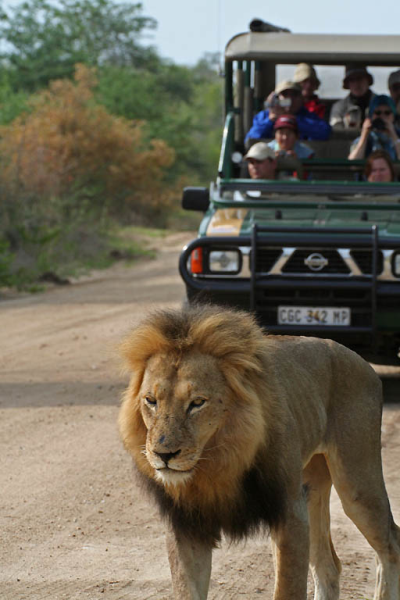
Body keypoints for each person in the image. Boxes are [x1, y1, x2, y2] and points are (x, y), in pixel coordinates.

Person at [245, 79, 331, 142]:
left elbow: (324, 133)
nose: (290, 99)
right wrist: (270, 120)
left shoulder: (309, 116)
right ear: (277, 98)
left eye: (294, 95)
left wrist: (291, 119)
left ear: (301, 99)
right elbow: (250, 140)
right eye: (285, 94)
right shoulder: (265, 116)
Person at [348, 95, 400, 161]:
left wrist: (394, 136)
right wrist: (364, 136)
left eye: (387, 113)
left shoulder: (398, 135)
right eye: (378, 113)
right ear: (371, 116)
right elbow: (353, 165)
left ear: (394, 116)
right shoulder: (366, 138)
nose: (382, 117)